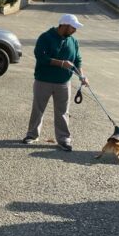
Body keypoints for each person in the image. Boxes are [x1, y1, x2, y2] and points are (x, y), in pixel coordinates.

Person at [22, 14, 89, 152]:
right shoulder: (45, 37)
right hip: (43, 80)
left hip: (64, 83)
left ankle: (64, 139)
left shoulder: (73, 41)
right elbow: (40, 57)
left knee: (63, 112)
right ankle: (32, 135)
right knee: (38, 109)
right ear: (64, 25)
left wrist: (82, 75)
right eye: (73, 27)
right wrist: (61, 63)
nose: (75, 30)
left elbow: (77, 60)